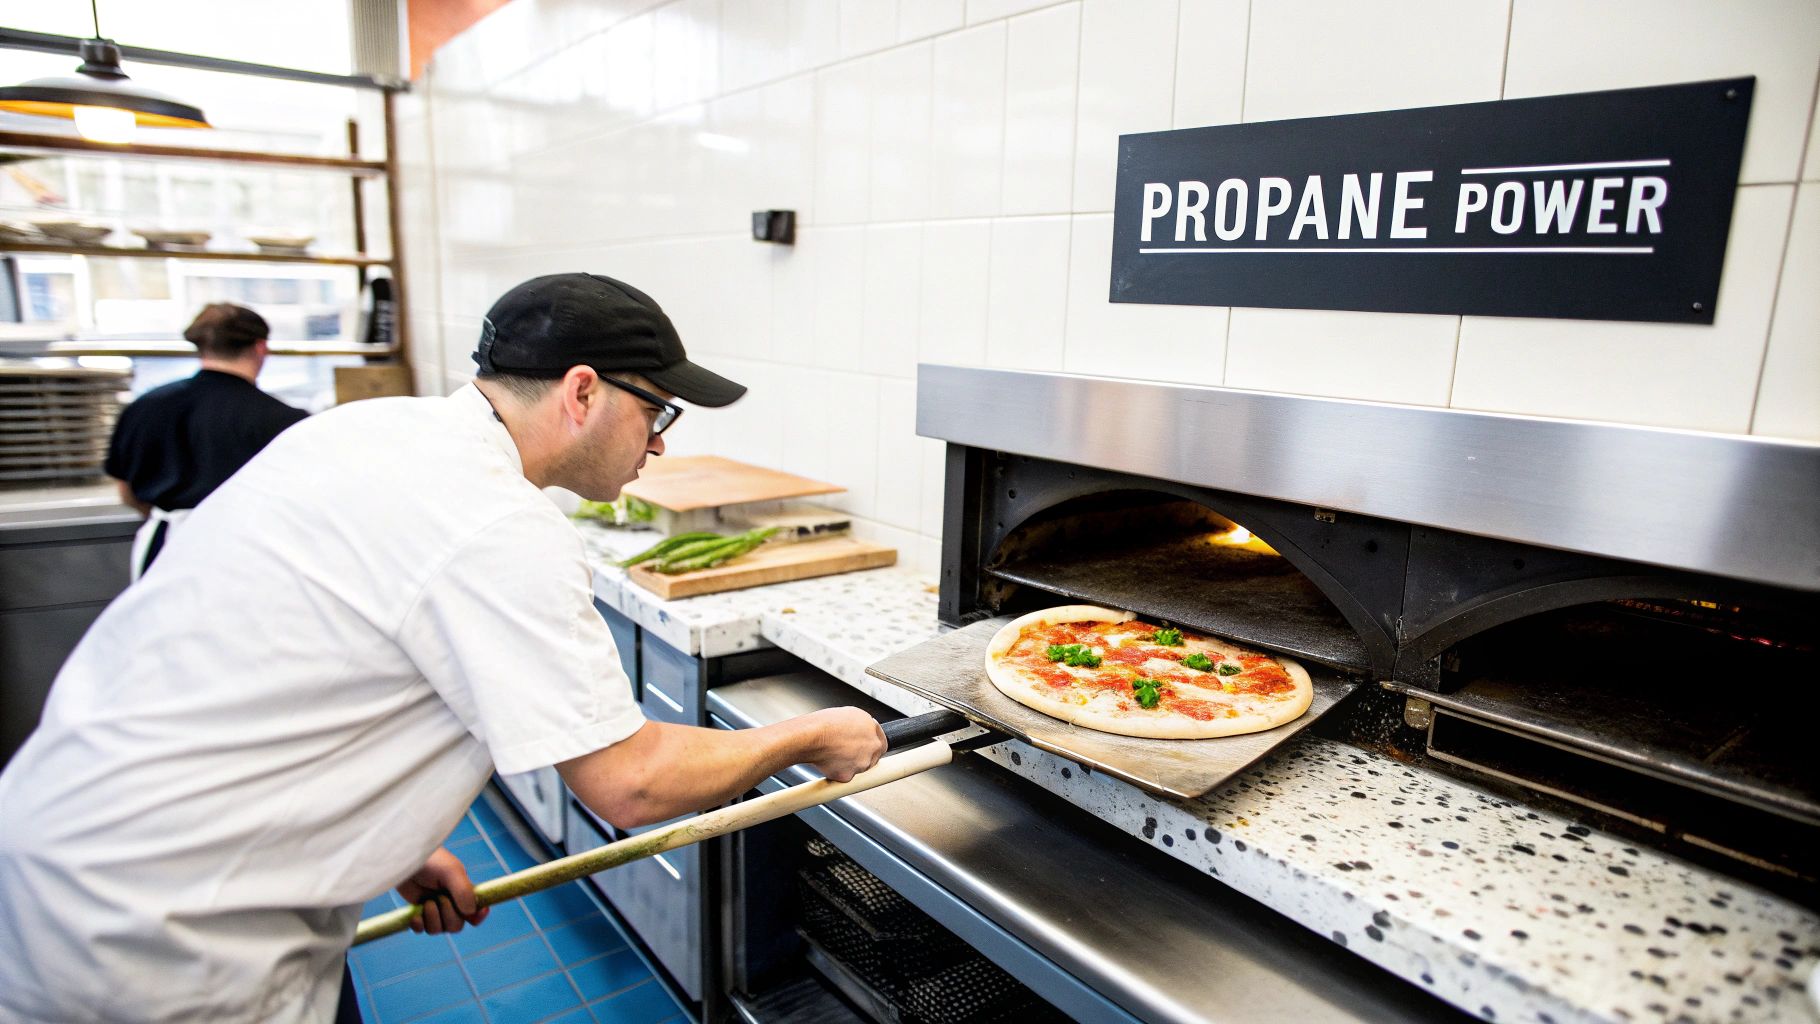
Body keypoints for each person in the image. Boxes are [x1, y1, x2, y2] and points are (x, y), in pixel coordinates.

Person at [0, 273, 888, 1023]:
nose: (658, 442)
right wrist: (814, 736)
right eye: (657, 411)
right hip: (161, 941)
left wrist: (394, 843)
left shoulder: (373, 433)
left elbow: (292, 667)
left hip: (73, 844)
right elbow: (633, 780)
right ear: (583, 393)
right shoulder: (495, 524)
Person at [106, 302, 308, 580]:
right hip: (250, 555)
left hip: (164, 549)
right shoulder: (284, 419)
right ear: (261, 347)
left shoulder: (145, 407)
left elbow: (127, 492)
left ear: (202, 346)